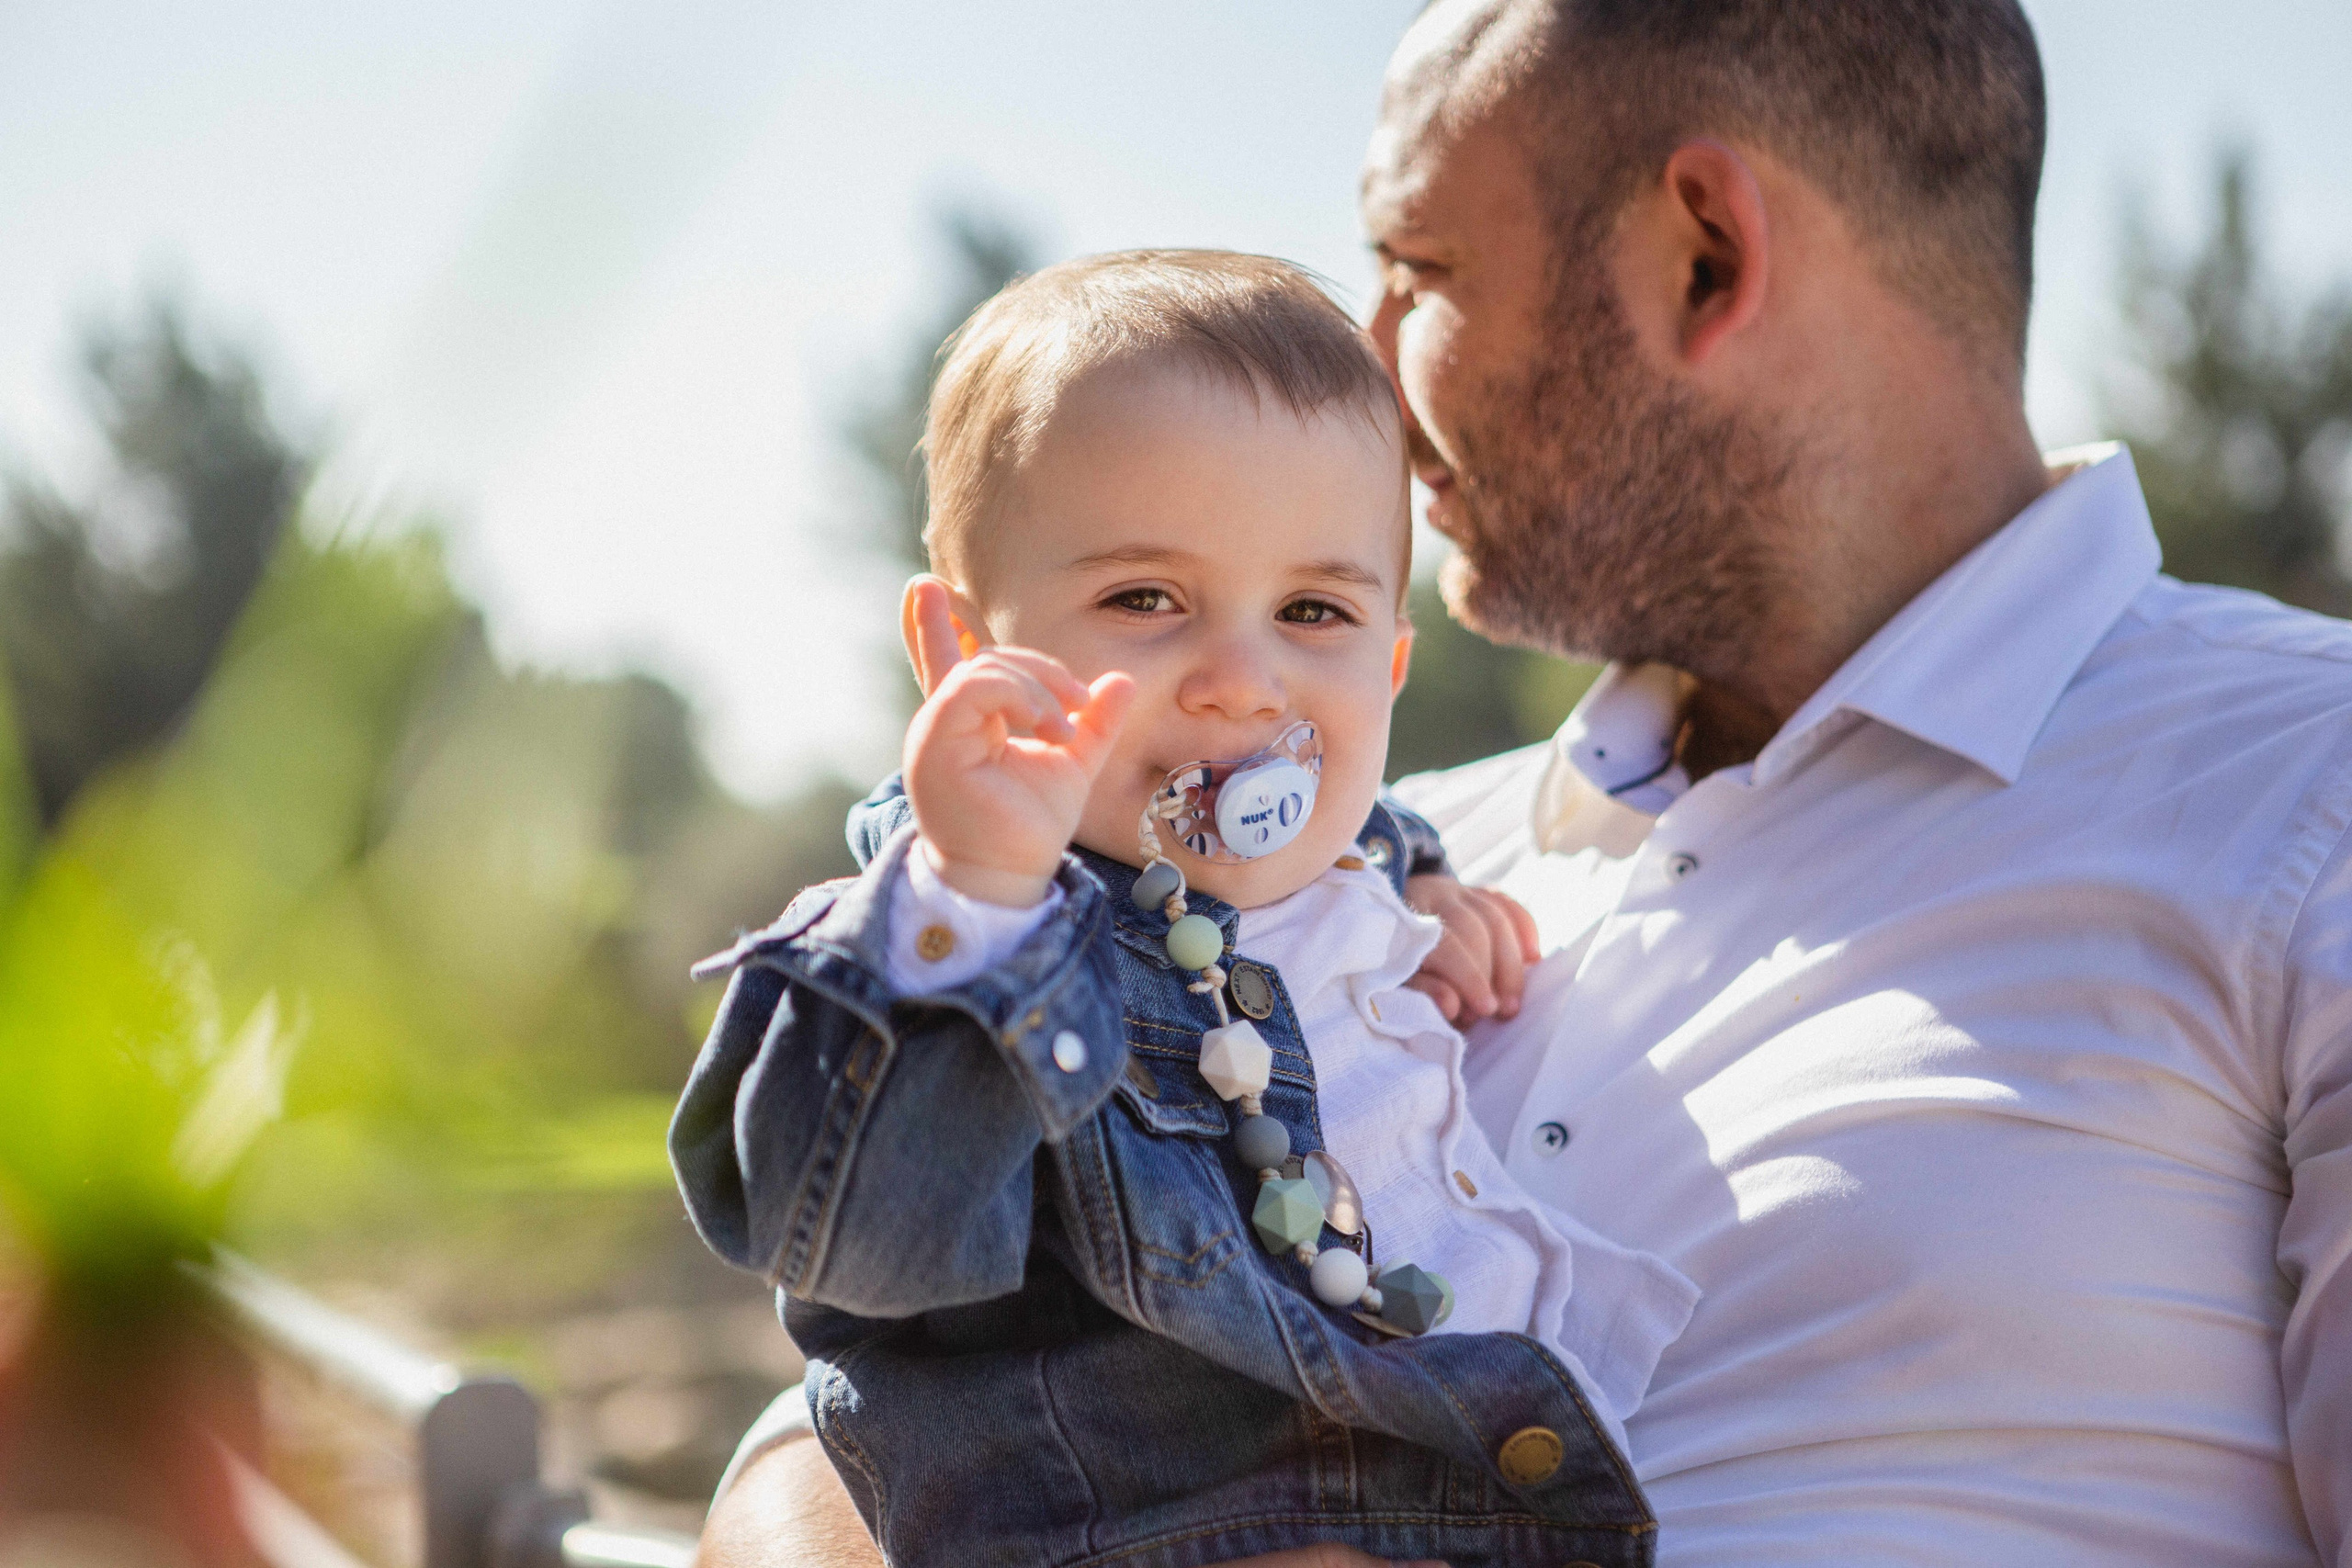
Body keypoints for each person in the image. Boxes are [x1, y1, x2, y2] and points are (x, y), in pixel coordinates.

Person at [701, 0, 2352, 1563]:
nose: (1366, 362)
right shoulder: (1345, 876)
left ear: (1705, 259)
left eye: (1418, 269)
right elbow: (869, 1391)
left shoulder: (2307, 790)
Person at [670, 250, 1701, 1568]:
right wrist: (974, 906)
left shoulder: (1359, 883)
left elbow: (1358, 819)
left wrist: (1418, 884)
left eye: (1312, 609)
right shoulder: (960, 942)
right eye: (1144, 599)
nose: (1242, 680)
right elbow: (864, 1246)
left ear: (1388, 673)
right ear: (961, 652)